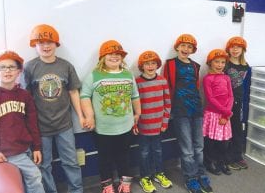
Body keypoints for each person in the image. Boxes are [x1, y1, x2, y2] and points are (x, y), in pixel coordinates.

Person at [22, 24, 84, 193]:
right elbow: (25, 98)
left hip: (65, 125)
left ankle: (76, 190)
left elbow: (73, 92)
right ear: (35, 46)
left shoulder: (66, 66)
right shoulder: (29, 68)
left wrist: (81, 116)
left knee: (71, 162)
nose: (46, 46)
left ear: (56, 44)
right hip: (40, 127)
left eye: (49, 42)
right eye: (41, 43)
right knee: (43, 165)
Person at [0, 50, 45, 193]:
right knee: (35, 176)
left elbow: (32, 123)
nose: (7, 70)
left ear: (19, 71)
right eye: (1, 67)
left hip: (24, 149)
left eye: (11, 67)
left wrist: (37, 147)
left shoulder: (24, 95)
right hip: (3, 153)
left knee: (33, 178)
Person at [80, 40, 141, 193]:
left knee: (124, 157)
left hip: (125, 126)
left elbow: (135, 95)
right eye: (110, 54)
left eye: (118, 54)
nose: (114, 57)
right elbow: (84, 96)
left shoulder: (128, 74)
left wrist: (138, 113)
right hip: (103, 128)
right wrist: (90, 116)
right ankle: (107, 186)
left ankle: (125, 183)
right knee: (105, 159)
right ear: (102, 57)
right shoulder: (94, 75)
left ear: (122, 57)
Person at [163, 34, 213, 193]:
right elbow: (166, 87)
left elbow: (196, 87)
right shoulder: (170, 64)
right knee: (187, 149)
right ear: (177, 47)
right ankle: (190, 178)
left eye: (189, 47)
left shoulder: (195, 66)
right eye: (183, 45)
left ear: (193, 50)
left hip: (196, 110)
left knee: (199, 146)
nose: (186, 49)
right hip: (180, 111)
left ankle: (200, 174)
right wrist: (167, 110)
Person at [135, 51, 172, 193]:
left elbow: (167, 103)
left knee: (157, 150)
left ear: (157, 65)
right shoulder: (137, 82)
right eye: (147, 63)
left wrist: (165, 122)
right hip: (143, 126)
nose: (150, 66)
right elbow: (133, 105)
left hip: (158, 126)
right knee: (144, 152)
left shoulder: (162, 80)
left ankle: (159, 173)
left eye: (153, 63)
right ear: (141, 66)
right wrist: (134, 124)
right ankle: (144, 177)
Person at [202, 49, 234, 176]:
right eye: (217, 62)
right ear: (210, 63)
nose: (220, 65)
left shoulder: (226, 77)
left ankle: (221, 163)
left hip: (225, 116)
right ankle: (208, 162)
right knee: (210, 142)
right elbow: (211, 99)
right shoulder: (207, 79)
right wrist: (226, 112)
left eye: (222, 62)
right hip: (212, 115)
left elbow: (231, 96)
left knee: (224, 142)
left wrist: (226, 114)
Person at [224, 36, 251, 171]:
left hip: (241, 104)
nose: (235, 49)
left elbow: (247, 87)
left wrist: (245, 105)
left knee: (238, 130)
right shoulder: (225, 65)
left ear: (243, 50)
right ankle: (227, 158)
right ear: (228, 49)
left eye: (238, 47)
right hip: (228, 103)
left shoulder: (246, 67)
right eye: (232, 47)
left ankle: (237, 156)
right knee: (227, 131)